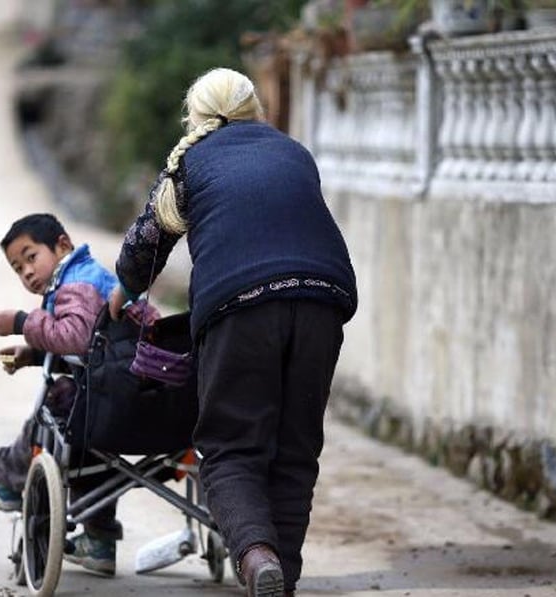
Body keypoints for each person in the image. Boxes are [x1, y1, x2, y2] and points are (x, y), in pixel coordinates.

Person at [108, 67, 358, 597]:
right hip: (323, 300)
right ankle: (279, 581)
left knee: (229, 448)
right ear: (254, 109)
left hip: (240, 305)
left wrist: (121, 293)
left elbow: (144, 244)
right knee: (295, 450)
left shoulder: (190, 162)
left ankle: (256, 555)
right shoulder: (293, 152)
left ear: (194, 117)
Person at [0, 213, 151, 577]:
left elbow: (77, 338)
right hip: (142, 397)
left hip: (111, 401)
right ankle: (98, 541)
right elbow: (94, 351)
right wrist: (34, 355)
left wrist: (21, 323)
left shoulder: (76, 284)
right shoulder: (94, 281)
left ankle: (5, 475)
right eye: (18, 268)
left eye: (31, 257)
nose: (27, 273)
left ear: (63, 246)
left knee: (57, 407)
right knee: (88, 445)